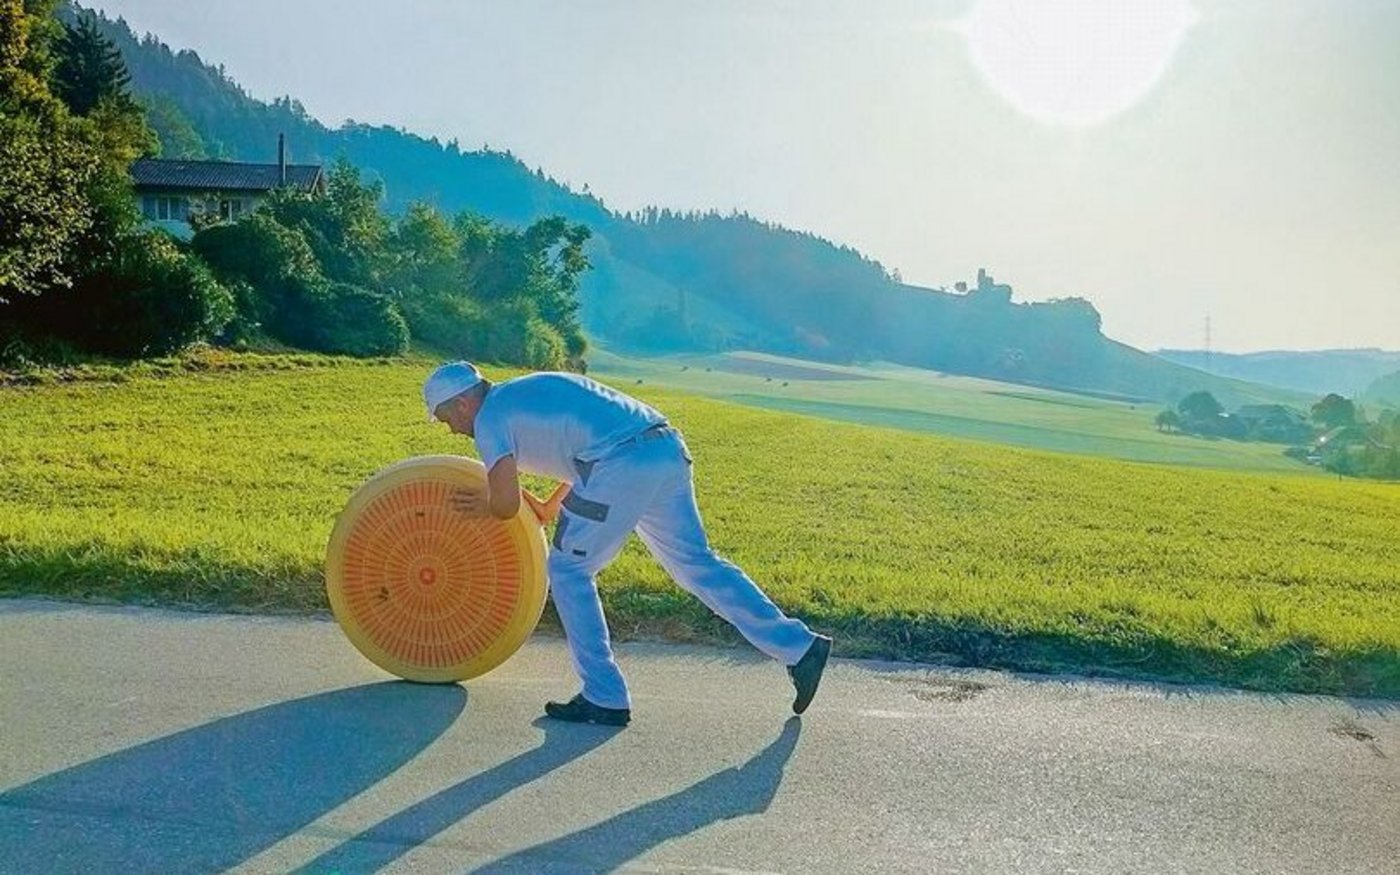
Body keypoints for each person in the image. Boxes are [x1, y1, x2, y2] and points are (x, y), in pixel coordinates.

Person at [424, 361, 832, 726]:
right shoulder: (527, 390)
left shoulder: (490, 418)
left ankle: (604, 696)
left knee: (568, 569)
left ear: (462, 403)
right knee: (697, 564)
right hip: (665, 448)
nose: (451, 429)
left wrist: (484, 503)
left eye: (446, 418)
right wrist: (548, 507)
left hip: (620, 465)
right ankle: (800, 647)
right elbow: (582, 448)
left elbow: (505, 504)